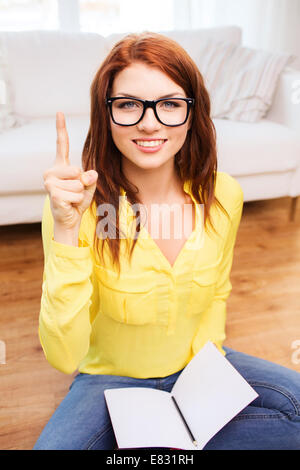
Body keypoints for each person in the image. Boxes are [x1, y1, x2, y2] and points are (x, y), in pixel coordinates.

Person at [33, 31, 300, 450]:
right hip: (109, 381)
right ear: (107, 115)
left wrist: (206, 383)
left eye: (170, 104)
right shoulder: (79, 209)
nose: (149, 122)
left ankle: (157, 448)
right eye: (128, 105)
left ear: (193, 113)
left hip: (199, 369)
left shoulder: (223, 195)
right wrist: (67, 229)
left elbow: (218, 295)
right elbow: (64, 357)